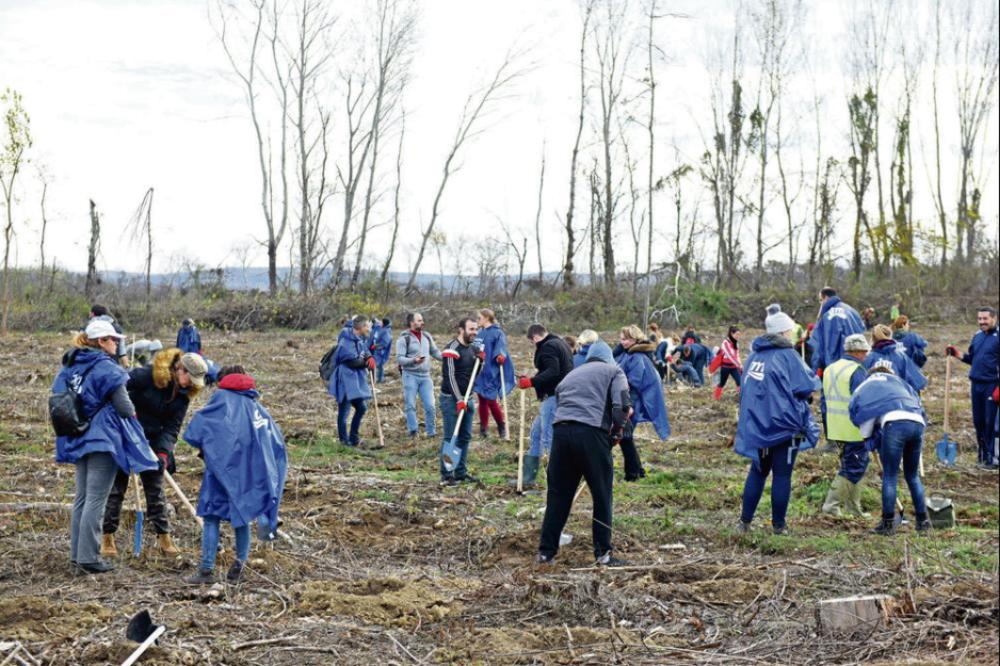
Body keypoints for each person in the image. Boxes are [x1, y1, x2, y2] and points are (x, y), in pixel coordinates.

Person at [52, 319, 159, 574]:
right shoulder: (105, 368)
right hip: (102, 438)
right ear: (101, 342)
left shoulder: (71, 364)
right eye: (113, 339)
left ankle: (77, 557)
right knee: (96, 499)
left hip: (77, 434)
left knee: (82, 497)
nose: (117, 343)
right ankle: (89, 558)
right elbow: (125, 407)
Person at [183, 365, 288, 584]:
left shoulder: (220, 399)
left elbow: (200, 427)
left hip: (219, 471)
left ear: (224, 380)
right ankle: (239, 567)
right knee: (242, 518)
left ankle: (206, 571)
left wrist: (206, 448)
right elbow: (275, 444)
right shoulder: (257, 407)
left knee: (211, 517)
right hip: (248, 475)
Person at [100, 348, 207, 557]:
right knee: (116, 489)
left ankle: (164, 538)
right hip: (125, 433)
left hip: (153, 441)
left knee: (156, 488)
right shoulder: (146, 376)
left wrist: (164, 453)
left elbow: (172, 428)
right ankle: (107, 538)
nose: (190, 383)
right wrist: (127, 419)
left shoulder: (183, 397)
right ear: (180, 369)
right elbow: (116, 391)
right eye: (189, 377)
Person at [535, 340, 631, 566]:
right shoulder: (614, 371)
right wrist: (617, 433)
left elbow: (560, 402)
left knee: (558, 497)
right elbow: (622, 407)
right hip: (591, 434)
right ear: (609, 357)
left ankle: (545, 553)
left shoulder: (571, 376)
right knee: (601, 494)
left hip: (561, 434)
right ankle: (603, 554)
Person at [735, 311, 821, 535]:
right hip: (785, 426)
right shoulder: (788, 355)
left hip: (757, 425)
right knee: (782, 474)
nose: (792, 334)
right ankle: (779, 526)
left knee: (758, 471)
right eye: (790, 330)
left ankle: (744, 522)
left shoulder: (754, 357)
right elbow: (806, 386)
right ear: (783, 332)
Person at [849, 367, 930, 535]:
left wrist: (867, 439)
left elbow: (865, 414)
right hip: (917, 423)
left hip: (894, 425)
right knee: (912, 475)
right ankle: (923, 522)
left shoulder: (866, 386)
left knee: (890, 476)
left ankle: (887, 524)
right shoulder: (900, 383)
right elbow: (918, 403)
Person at [820, 334, 872, 517]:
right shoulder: (856, 371)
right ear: (857, 352)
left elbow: (823, 402)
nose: (866, 355)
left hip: (835, 428)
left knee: (854, 464)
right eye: (865, 352)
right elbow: (862, 402)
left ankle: (853, 508)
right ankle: (831, 506)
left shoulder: (830, 368)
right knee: (854, 467)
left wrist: (828, 430)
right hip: (853, 429)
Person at [517, 323, 574, 489]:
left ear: (535, 337)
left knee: (549, 438)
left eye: (532, 342)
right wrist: (532, 377)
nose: (533, 345)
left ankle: (558, 484)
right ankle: (527, 478)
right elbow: (553, 369)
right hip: (560, 395)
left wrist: (532, 382)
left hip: (553, 397)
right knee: (536, 433)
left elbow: (553, 371)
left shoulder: (547, 347)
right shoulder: (560, 343)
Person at [946, 306, 999, 469]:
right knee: (979, 421)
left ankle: (993, 459)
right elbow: (972, 359)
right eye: (980, 319)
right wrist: (956, 354)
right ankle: (982, 455)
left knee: (991, 422)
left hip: (992, 385)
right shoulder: (977, 337)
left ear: (994, 318)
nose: (982, 322)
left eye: (985, 319)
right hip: (976, 385)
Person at [616, 325, 670, 481]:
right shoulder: (629, 354)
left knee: (625, 437)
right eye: (621, 339)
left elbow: (633, 384)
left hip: (632, 402)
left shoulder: (637, 358)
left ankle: (632, 474)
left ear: (635, 339)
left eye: (625, 339)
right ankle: (638, 470)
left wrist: (628, 406)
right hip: (628, 401)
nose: (622, 342)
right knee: (627, 438)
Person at [440, 318, 481, 486]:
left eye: (476, 329)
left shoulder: (473, 349)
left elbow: (473, 374)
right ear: (461, 330)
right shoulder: (451, 349)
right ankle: (447, 474)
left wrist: (481, 361)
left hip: (468, 399)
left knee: (465, 437)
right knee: (451, 438)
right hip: (451, 400)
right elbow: (449, 377)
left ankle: (460, 472)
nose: (474, 332)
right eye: (471, 329)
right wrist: (458, 399)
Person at [328, 315, 374, 447]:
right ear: (361, 327)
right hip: (345, 380)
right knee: (344, 411)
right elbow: (352, 362)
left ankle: (354, 438)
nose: (368, 329)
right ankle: (344, 442)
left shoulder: (358, 339)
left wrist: (369, 356)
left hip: (354, 381)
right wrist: (366, 363)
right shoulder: (346, 340)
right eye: (367, 326)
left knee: (361, 408)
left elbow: (364, 350)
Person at [396, 312, 442, 438]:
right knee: (410, 404)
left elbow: (435, 352)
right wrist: (413, 360)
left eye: (422, 320)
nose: (422, 322)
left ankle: (431, 432)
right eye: (419, 320)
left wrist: (447, 357)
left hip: (426, 376)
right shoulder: (404, 338)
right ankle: (413, 431)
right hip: (410, 375)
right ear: (412, 322)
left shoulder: (427, 336)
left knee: (430, 405)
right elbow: (399, 359)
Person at [473, 309, 515, 439]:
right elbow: (474, 348)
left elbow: (501, 347)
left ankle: (501, 427)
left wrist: (500, 356)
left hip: (492, 371)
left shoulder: (498, 333)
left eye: (479, 318)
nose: (478, 320)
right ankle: (483, 429)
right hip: (479, 371)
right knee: (482, 400)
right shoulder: (479, 333)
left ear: (486, 318)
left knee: (491, 400)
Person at [810, 287, 865, 376]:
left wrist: (814, 369)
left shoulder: (824, 317)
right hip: (853, 363)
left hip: (831, 367)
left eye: (821, 300)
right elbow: (862, 331)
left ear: (826, 298)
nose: (821, 303)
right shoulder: (852, 311)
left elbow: (817, 344)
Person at [865, 325, 927, 393]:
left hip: (874, 398)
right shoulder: (900, 356)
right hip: (897, 397)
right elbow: (917, 381)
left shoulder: (867, 358)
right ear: (890, 336)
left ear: (872, 339)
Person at [714, 325, 743, 400]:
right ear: (731, 334)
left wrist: (740, 364)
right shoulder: (725, 343)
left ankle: (741, 397)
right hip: (725, 367)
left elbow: (737, 355)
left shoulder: (736, 343)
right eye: (737, 334)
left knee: (739, 382)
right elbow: (730, 355)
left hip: (733, 367)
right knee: (722, 383)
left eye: (739, 335)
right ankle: (716, 397)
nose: (738, 336)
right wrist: (739, 365)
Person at [371, 317, 393, 383]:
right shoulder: (382, 328)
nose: (379, 322)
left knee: (379, 365)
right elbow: (376, 325)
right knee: (377, 365)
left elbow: (385, 343)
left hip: (381, 351)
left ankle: (379, 379)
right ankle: (377, 379)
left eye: (381, 322)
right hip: (377, 350)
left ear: (383, 323)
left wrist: (376, 346)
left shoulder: (386, 331)